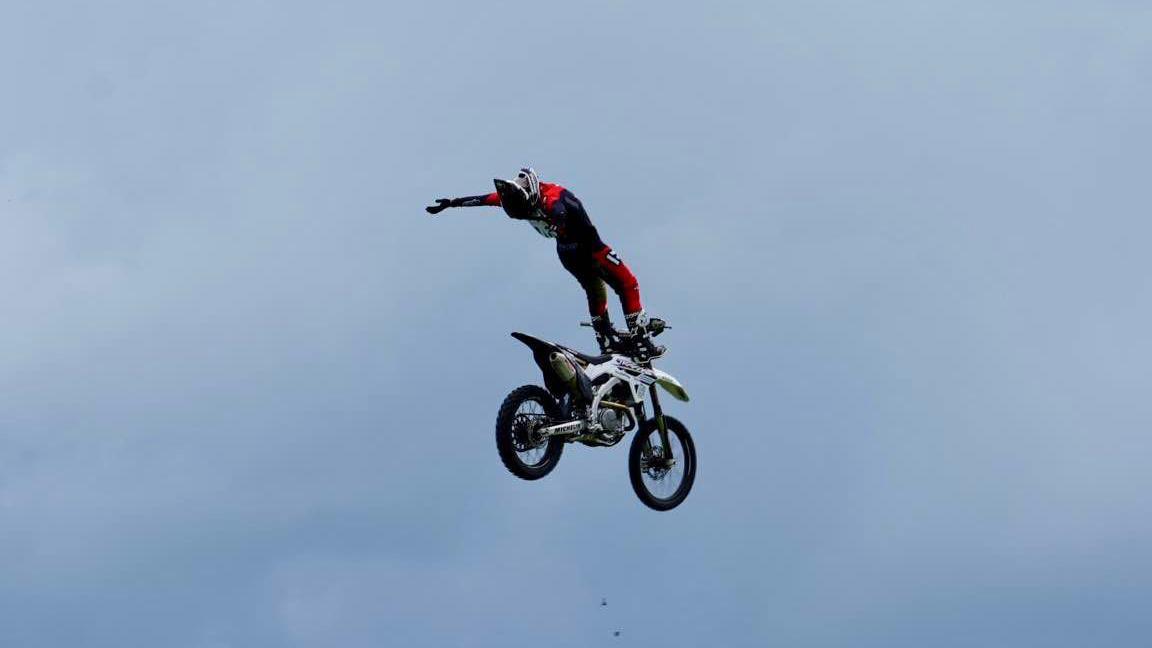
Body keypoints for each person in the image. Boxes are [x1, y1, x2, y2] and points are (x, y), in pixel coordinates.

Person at [426, 168, 664, 358]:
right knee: (627, 284)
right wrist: (452, 202)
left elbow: (557, 209)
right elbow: (484, 199)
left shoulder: (552, 198)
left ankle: (606, 340)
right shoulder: (519, 197)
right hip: (590, 248)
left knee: (595, 289)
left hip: (568, 252)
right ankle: (639, 339)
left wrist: (453, 203)